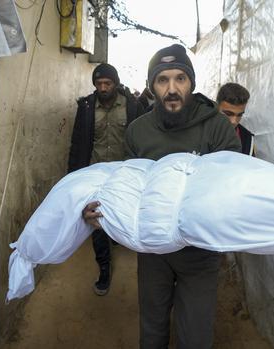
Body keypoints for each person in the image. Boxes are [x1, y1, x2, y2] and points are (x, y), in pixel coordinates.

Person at [83, 44, 241, 348]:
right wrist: (105, 214)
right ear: (152, 86)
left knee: (195, 334)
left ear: (191, 83)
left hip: (200, 251)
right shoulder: (138, 131)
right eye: (163, 80)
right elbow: (130, 186)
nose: (172, 89)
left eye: (180, 78)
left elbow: (231, 185)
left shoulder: (217, 127)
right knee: (152, 328)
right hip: (154, 251)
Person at [68, 63, 144, 296]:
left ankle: (120, 237)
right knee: (97, 220)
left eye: (107, 83)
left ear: (115, 83)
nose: (103, 87)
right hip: (96, 174)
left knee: (125, 214)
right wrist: (73, 176)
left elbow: (144, 140)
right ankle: (104, 267)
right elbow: (77, 142)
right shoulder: (87, 107)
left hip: (125, 174)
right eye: (99, 84)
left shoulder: (133, 106)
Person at [216, 82, 255, 156]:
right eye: (228, 114)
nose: (234, 121)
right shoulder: (199, 131)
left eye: (239, 115)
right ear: (216, 107)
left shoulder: (247, 139)